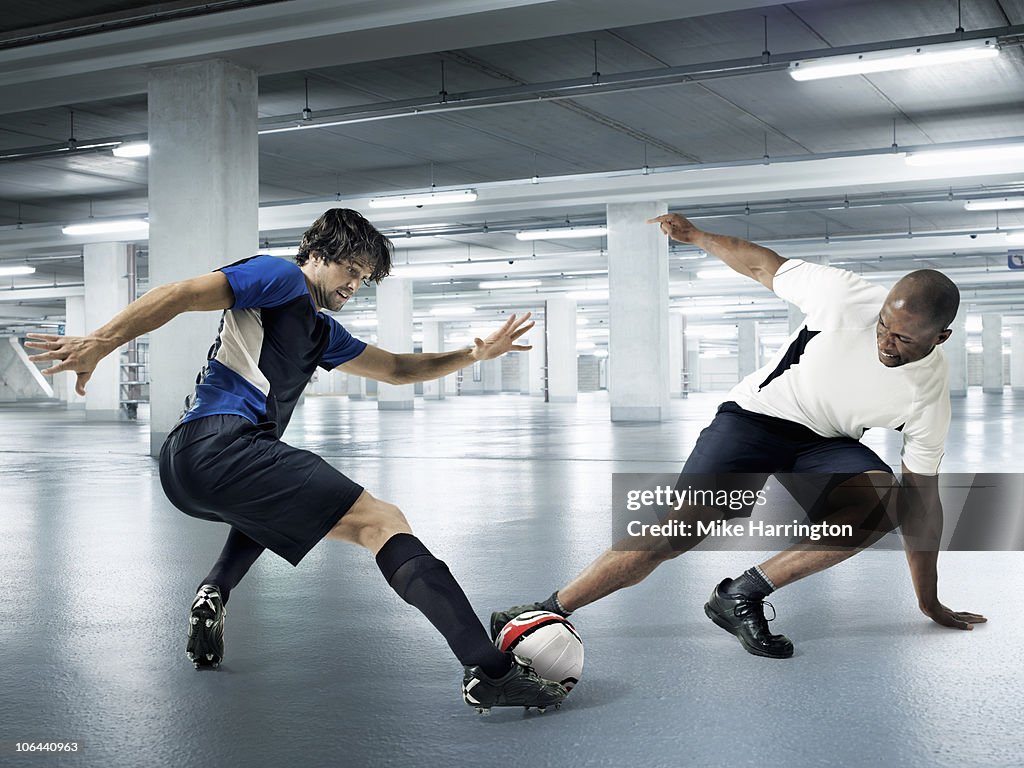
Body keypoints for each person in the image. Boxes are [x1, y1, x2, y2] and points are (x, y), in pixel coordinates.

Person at [26, 208, 566, 713]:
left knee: (277, 508)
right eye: (350, 269)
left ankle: (214, 590)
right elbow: (180, 293)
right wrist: (100, 340)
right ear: (317, 253)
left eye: (365, 279)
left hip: (190, 463)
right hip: (219, 445)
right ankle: (491, 672)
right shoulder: (282, 278)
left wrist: (473, 354)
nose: (354, 285)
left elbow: (400, 368)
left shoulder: (321, 330)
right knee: (382, 523)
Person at [491, 212, 986, 659]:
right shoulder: (844, 296)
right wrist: (697, 236)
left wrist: (930, 602)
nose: (884, 340)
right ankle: (543, 609)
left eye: (901, 338)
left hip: (823, 441)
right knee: (675, 534)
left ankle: (741, 594)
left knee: (886, 504)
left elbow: (924, 505)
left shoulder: (928, 397)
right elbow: (761, 266)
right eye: (883, 325)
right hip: (754, 418)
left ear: (939, 338)